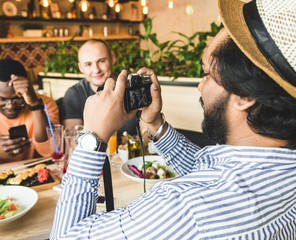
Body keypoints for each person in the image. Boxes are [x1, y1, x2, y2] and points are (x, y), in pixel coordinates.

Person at [50, 0, 296, 238]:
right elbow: (208, 170)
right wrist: (155, 124)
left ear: (244, 95)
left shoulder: (185, 209)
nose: (201, 86)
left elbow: (64, 236)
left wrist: (92, 138)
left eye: (207, 74)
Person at [62, 39, 138, 140]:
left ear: (112, 59)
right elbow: (73, 139)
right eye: (88, 64)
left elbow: (148, 135)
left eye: (102, 61)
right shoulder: (74, 94)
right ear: (80, 67)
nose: (96, 70)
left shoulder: (133, 88)